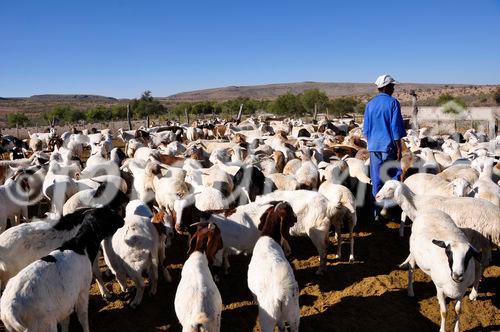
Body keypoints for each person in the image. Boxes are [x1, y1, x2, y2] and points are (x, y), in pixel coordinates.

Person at [363, 74, 406, 221]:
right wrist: (399, 148)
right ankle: (388, 209)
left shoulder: (370, 104)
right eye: (392, 86)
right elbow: (396, 129)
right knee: (391, 177)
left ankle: (376, 213)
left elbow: (366, 130)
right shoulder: (393, 103)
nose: (393, 88)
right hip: (389, 146)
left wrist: (373, 143)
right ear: (386, 87)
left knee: (376, 178)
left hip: (374, 147)